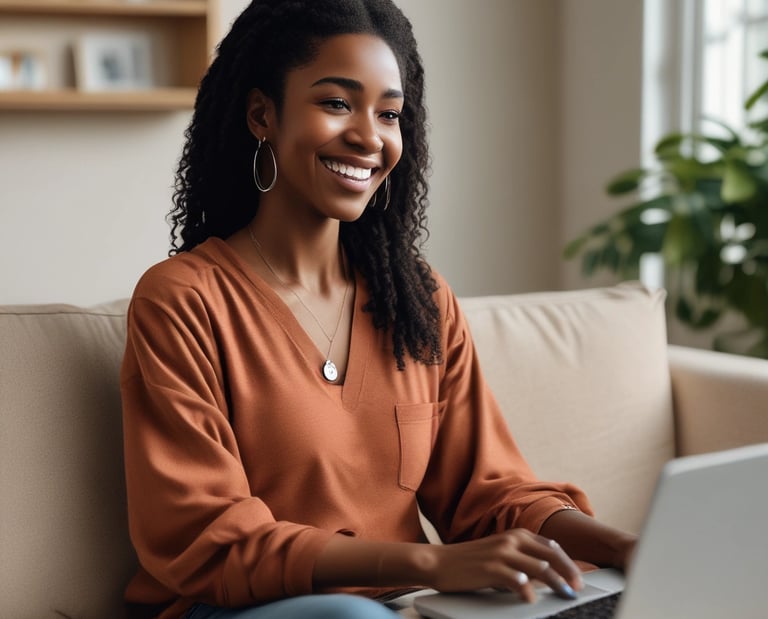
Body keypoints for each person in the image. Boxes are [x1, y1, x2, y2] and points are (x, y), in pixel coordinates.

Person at [120, 1, 637, 618]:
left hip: (406, 606)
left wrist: (627, 546)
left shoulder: (418, 300)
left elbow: (488, 492)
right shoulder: (184, 300)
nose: (370, 136)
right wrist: (430, 562)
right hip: (246, 606)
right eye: (336, 103)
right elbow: (209, 537)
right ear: (263, 114)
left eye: (389, 114)